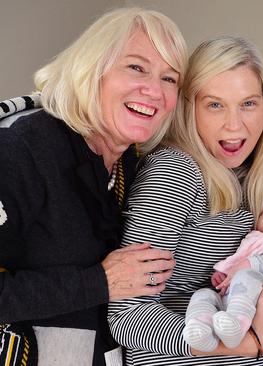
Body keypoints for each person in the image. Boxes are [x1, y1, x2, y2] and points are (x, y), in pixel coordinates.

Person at [108, 36, 263, 366]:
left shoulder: (259, 181)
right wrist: (249, 343)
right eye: (215, 104)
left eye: (248, 103)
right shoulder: (175, 171)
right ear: (188, 108)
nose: (234, 125)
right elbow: (127, 315)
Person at [0, 7, 186, 365]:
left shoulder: (130, 158)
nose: (153, 90)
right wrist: (99, 282)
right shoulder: (23, 148)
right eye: (136, 67)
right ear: (92, 69)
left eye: (169, 78)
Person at [183, 191, 263, 351]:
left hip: (260, 303)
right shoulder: (254, 238)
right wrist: (224, 275)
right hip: (229, 300)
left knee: (247, 275)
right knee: (203, 294)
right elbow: (237, 262)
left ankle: (237, 325)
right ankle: (201, 330)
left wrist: (250, 264)